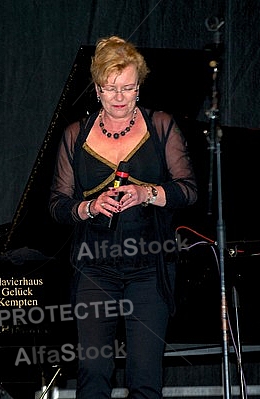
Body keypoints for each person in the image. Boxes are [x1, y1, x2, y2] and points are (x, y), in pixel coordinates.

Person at [48, 36, 198, 398]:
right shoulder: (75, 135)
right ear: (97, 89)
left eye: (128, 88)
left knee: (145, 376)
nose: (119, 97)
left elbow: (190, 190)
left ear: (139, 87)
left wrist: (147, 193)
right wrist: (88, 207)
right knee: (94, 371)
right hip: (94, 268)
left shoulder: (161, 126)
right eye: (111, 88)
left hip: (150, 267)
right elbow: (56, 204)